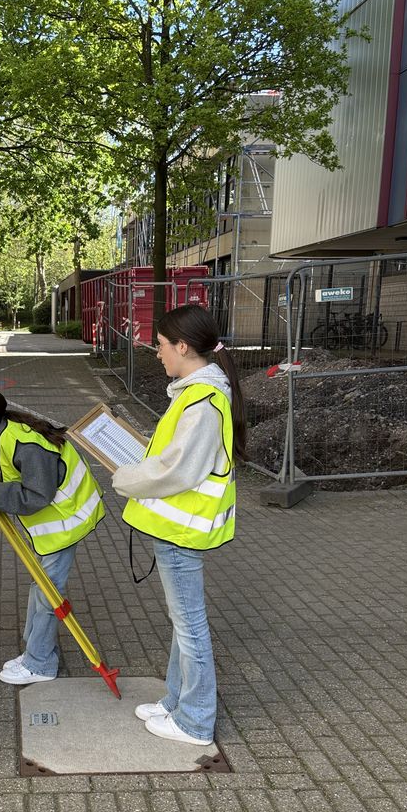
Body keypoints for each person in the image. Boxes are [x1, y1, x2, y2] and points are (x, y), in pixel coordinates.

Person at [111, 305, 246, 747]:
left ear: (183, 347)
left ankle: (195, 722)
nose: (157, 353)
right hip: (176, 530)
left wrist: (125, 478)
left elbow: (178, 470)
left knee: (189, 627)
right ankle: (176, 701)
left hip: (181, 532)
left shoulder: (202, 401)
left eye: (161, 345)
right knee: (182, 622)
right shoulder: (195, 393)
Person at [0, 387, 105, 684]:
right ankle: (35, 652)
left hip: (68, 520)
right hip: (55, 524)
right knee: (42, 589)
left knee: (48, 593)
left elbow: (39, 493)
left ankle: (40, 664)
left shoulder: (25, 444)